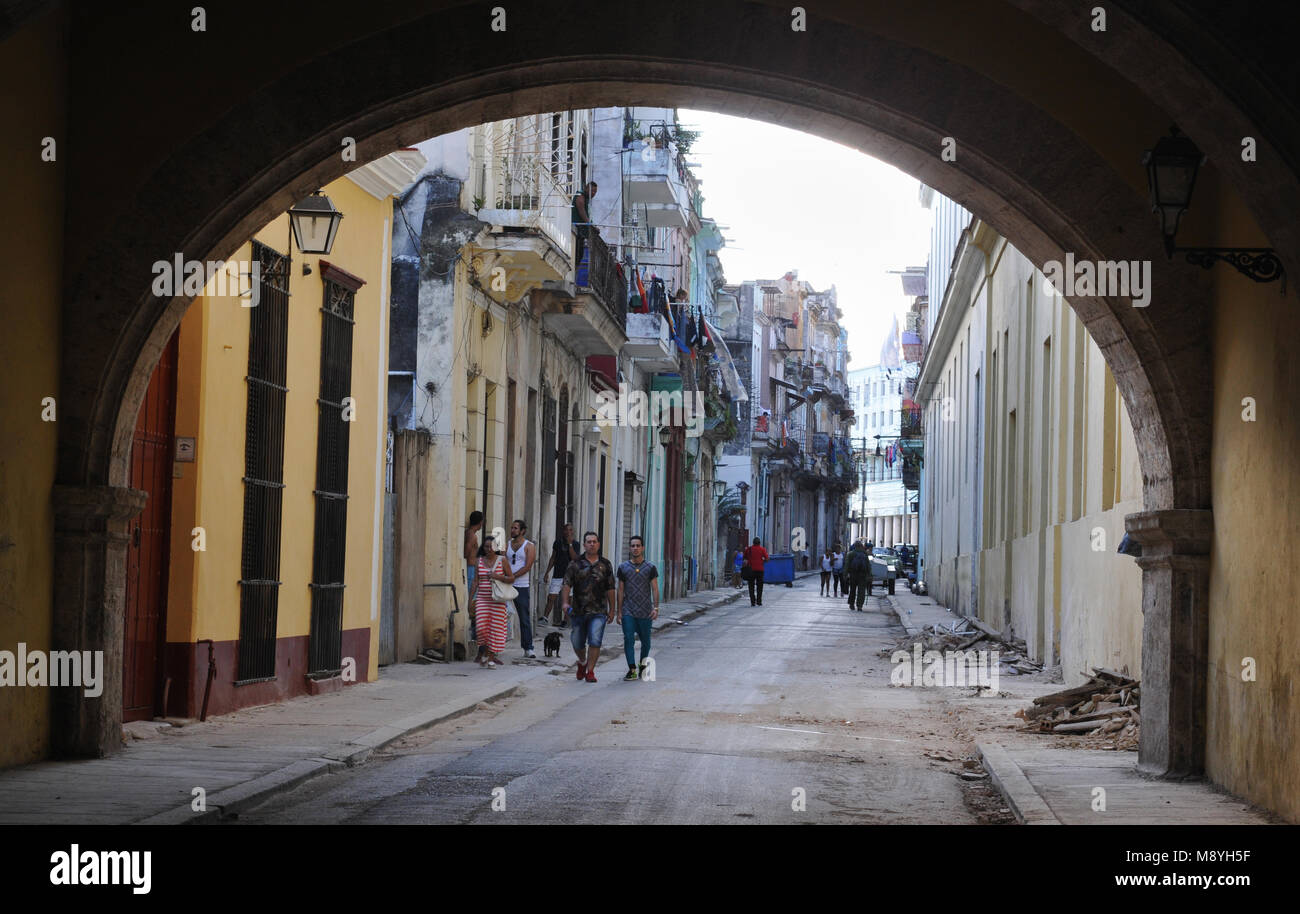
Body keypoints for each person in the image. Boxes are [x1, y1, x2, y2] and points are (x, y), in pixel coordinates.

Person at [560, 530, 617, 683]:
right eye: (589, 542)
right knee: (577, 642)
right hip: (578, 610)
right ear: (584, 545)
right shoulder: (575, 564)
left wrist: (612, 610)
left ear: (598, 544)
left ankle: (590, 671)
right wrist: (565, 603)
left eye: (594, 541)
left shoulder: (605, 564)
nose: (592, 544)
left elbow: (611, 588)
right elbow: (566, 584)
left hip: (599, 611)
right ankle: (582, 662)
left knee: (595, 640)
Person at [616, 535, 660, 681]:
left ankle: (642, 665)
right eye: (633, 546)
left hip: (645, 610)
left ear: (643, 548)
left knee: (646, 641)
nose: (635, 548)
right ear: (630, 548)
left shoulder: (650, 567)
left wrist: (656, 608)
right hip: (629, 609)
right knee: (628, 638)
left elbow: (655, 588)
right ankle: (632, 669)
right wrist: (619, 611)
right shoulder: (623, 568)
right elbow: (620, 590)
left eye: (638, 545)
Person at [472, 534, 515, 668]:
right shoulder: (479, 561)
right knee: (481, 628)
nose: (488, 549)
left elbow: (511, 578)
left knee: (495, 630)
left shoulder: (502, 560)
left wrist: (497, 576)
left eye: (491, 547)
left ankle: (490, 657)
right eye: (486, 546)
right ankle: (485, 652)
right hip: (482, 599)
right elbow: (475, 581)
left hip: (498, 601)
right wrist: (470, 600)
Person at [505, 519, 538, 658]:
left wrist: (513, 576)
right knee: (501, 614)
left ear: (522, 531)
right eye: (511, 527)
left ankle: (528, 647)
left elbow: (528, 566)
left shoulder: (529, 546)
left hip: (521, 585)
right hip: (506, 583)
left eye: (515, 528)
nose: (512, 530)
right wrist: (506, 576)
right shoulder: (507, 544)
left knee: (524, 617)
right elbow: (502, 560)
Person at [541, 524, 580, 627]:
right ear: (563, 531)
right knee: (551, 597)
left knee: (568, 599)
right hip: (558, 574)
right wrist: (547, 572)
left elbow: (575, 558)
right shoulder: (557, 543)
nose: (568, 532)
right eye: (566, 530)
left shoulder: (576, 544)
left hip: (570, 576)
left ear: (573, 532)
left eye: (570, 530)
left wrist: (570, 544)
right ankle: (545, 618)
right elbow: (553, 558)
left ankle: (565, 620)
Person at [571, 180, 598, 267]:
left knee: (579, 257)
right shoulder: (580, 196)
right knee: (577, 256)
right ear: (586, 188)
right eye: (592, 191)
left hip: (581, 232)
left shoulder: (586, 199)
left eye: (595, 192)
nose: (593, 193)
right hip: (577, 230)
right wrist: (591, 226)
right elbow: (582, 212)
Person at [845, 540, 872, 611]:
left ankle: (851, 604)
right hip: (862, 575)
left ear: (854, 546)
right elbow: (868, 565)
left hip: (853, 574)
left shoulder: (850, 554)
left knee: (852, 590)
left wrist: (845, 575)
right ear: (861, 546)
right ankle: (859, 606)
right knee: (861, 590)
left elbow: (847, 565)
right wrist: (869, 574)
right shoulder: (864, 554)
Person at [743, 537, 768, 606]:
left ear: (753, 542)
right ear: (759, 543)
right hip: (760, 570)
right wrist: (762, 561)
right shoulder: (762, 549)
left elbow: (744, 557)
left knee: (751, 586)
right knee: (760, 586)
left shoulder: (749, 549)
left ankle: (752, 601)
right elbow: (767, 559)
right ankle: (759, 601)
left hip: (751, 570)